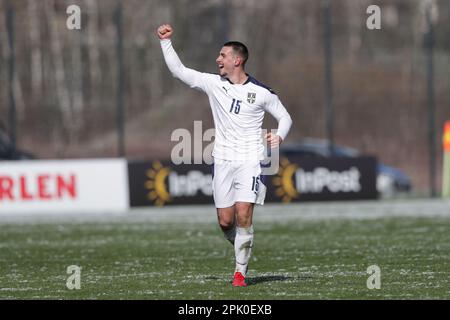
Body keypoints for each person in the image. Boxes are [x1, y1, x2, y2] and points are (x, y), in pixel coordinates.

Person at [157, 24, 292, 287]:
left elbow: (284, 116)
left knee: (243, 214)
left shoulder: (262, 92)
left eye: (222, 55)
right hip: (222, 160)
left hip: (251, 160)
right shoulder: (213, 84)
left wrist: (280, 135)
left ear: (237, 60)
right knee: (225, 221)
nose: (218, 59)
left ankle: (240, 272)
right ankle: (244, 242)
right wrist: (165, 42)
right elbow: (179, 71)